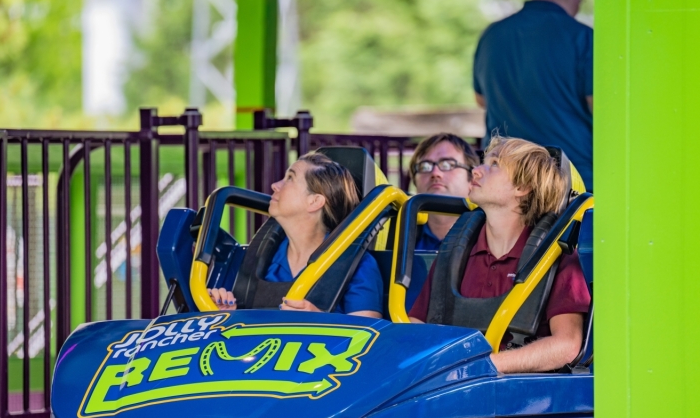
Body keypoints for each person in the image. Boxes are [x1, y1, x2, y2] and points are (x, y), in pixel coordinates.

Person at [408, 137, 590, 373]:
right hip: (448, 387)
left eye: (493, 164)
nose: (476, 171)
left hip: (518, 398)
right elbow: (418, 324)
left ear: (522, 187)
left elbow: (566, 344)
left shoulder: (558, 257)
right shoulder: (455, 252)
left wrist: (482, 368)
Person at [472, 0, 594, 189]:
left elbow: (480, 100)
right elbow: (599, 106)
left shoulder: (492, 36)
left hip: (505, 178)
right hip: (568, 180)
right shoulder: (582, 38)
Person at [208, 152, 383, 318]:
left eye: (290, 178)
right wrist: (230, 312)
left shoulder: (356, 264)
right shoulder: (257, 257)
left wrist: (318, 321)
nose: (275, 185)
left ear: (314, 201)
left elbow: (368, 336)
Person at [408, 133, 479, 250]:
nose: (435, 173)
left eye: (447, 165)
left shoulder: (490, 236)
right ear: (415, 182)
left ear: (472, 179)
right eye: (424, 167)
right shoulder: (395, 233)